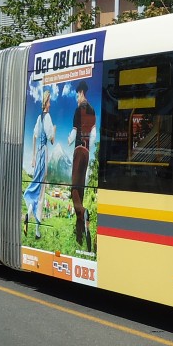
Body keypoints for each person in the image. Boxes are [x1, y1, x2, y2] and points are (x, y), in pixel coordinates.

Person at [23, 90, 54, 240]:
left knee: (36, 188)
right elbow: (52, 139)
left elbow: (34, 136)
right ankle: (37, 231)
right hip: (45, 153)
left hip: (38, 154)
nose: (51, 103)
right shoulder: (47, 117)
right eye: (50, 101)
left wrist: (34, 156)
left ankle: (28, 215)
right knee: (41, 193)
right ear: (46, 102)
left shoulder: (38, 118)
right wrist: (54, 130)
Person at [70, 81, 97, 252]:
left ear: (80, 92)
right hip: (87, 152)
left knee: (73, 190)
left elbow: (73, 134)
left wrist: (69, 140)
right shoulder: (93, 110)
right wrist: (89, 148)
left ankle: (84, 212)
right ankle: (80, 236)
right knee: (81, 191)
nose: (76, 97)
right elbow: (94, 135)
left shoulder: (77, 110)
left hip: (78, 151)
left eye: (76, 94)